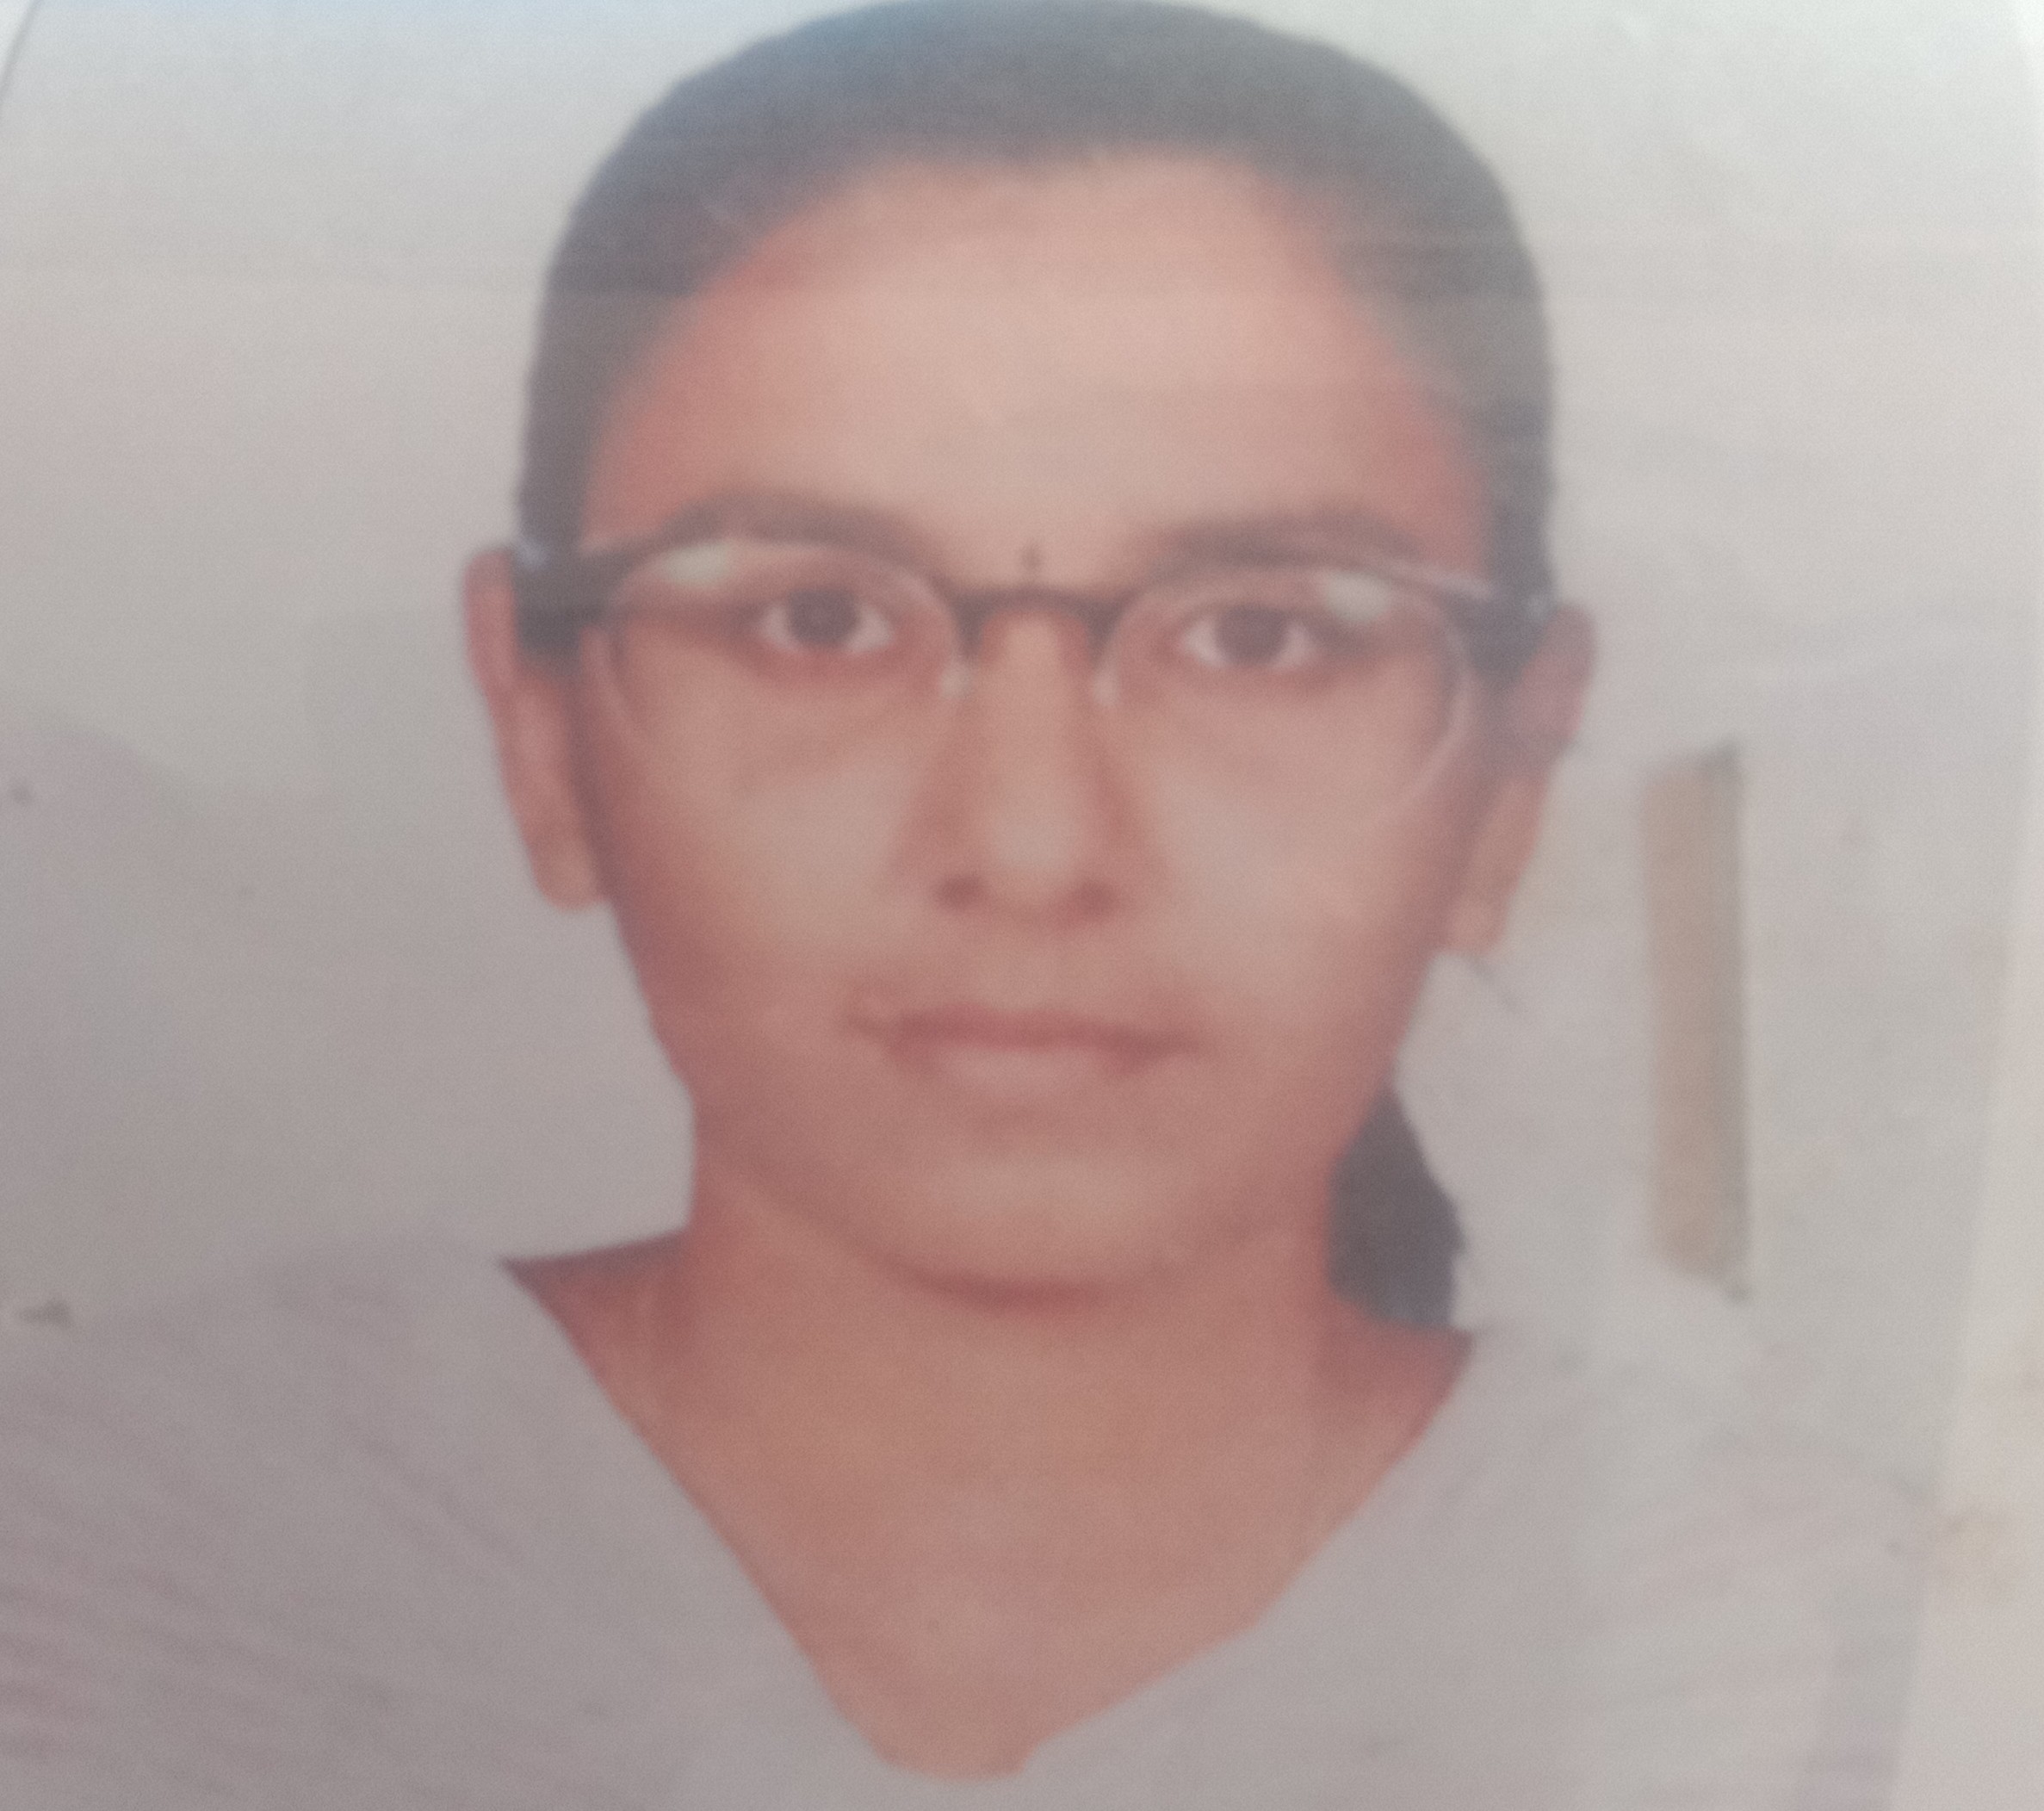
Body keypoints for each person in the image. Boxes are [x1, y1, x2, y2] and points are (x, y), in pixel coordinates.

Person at [0, 3, 1918, 1805]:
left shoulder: (1850, 1646)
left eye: (1258, 635)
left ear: (1509, 775)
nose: (1028, 840)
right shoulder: (95, 1551)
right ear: (540, 726)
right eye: (814, 617)